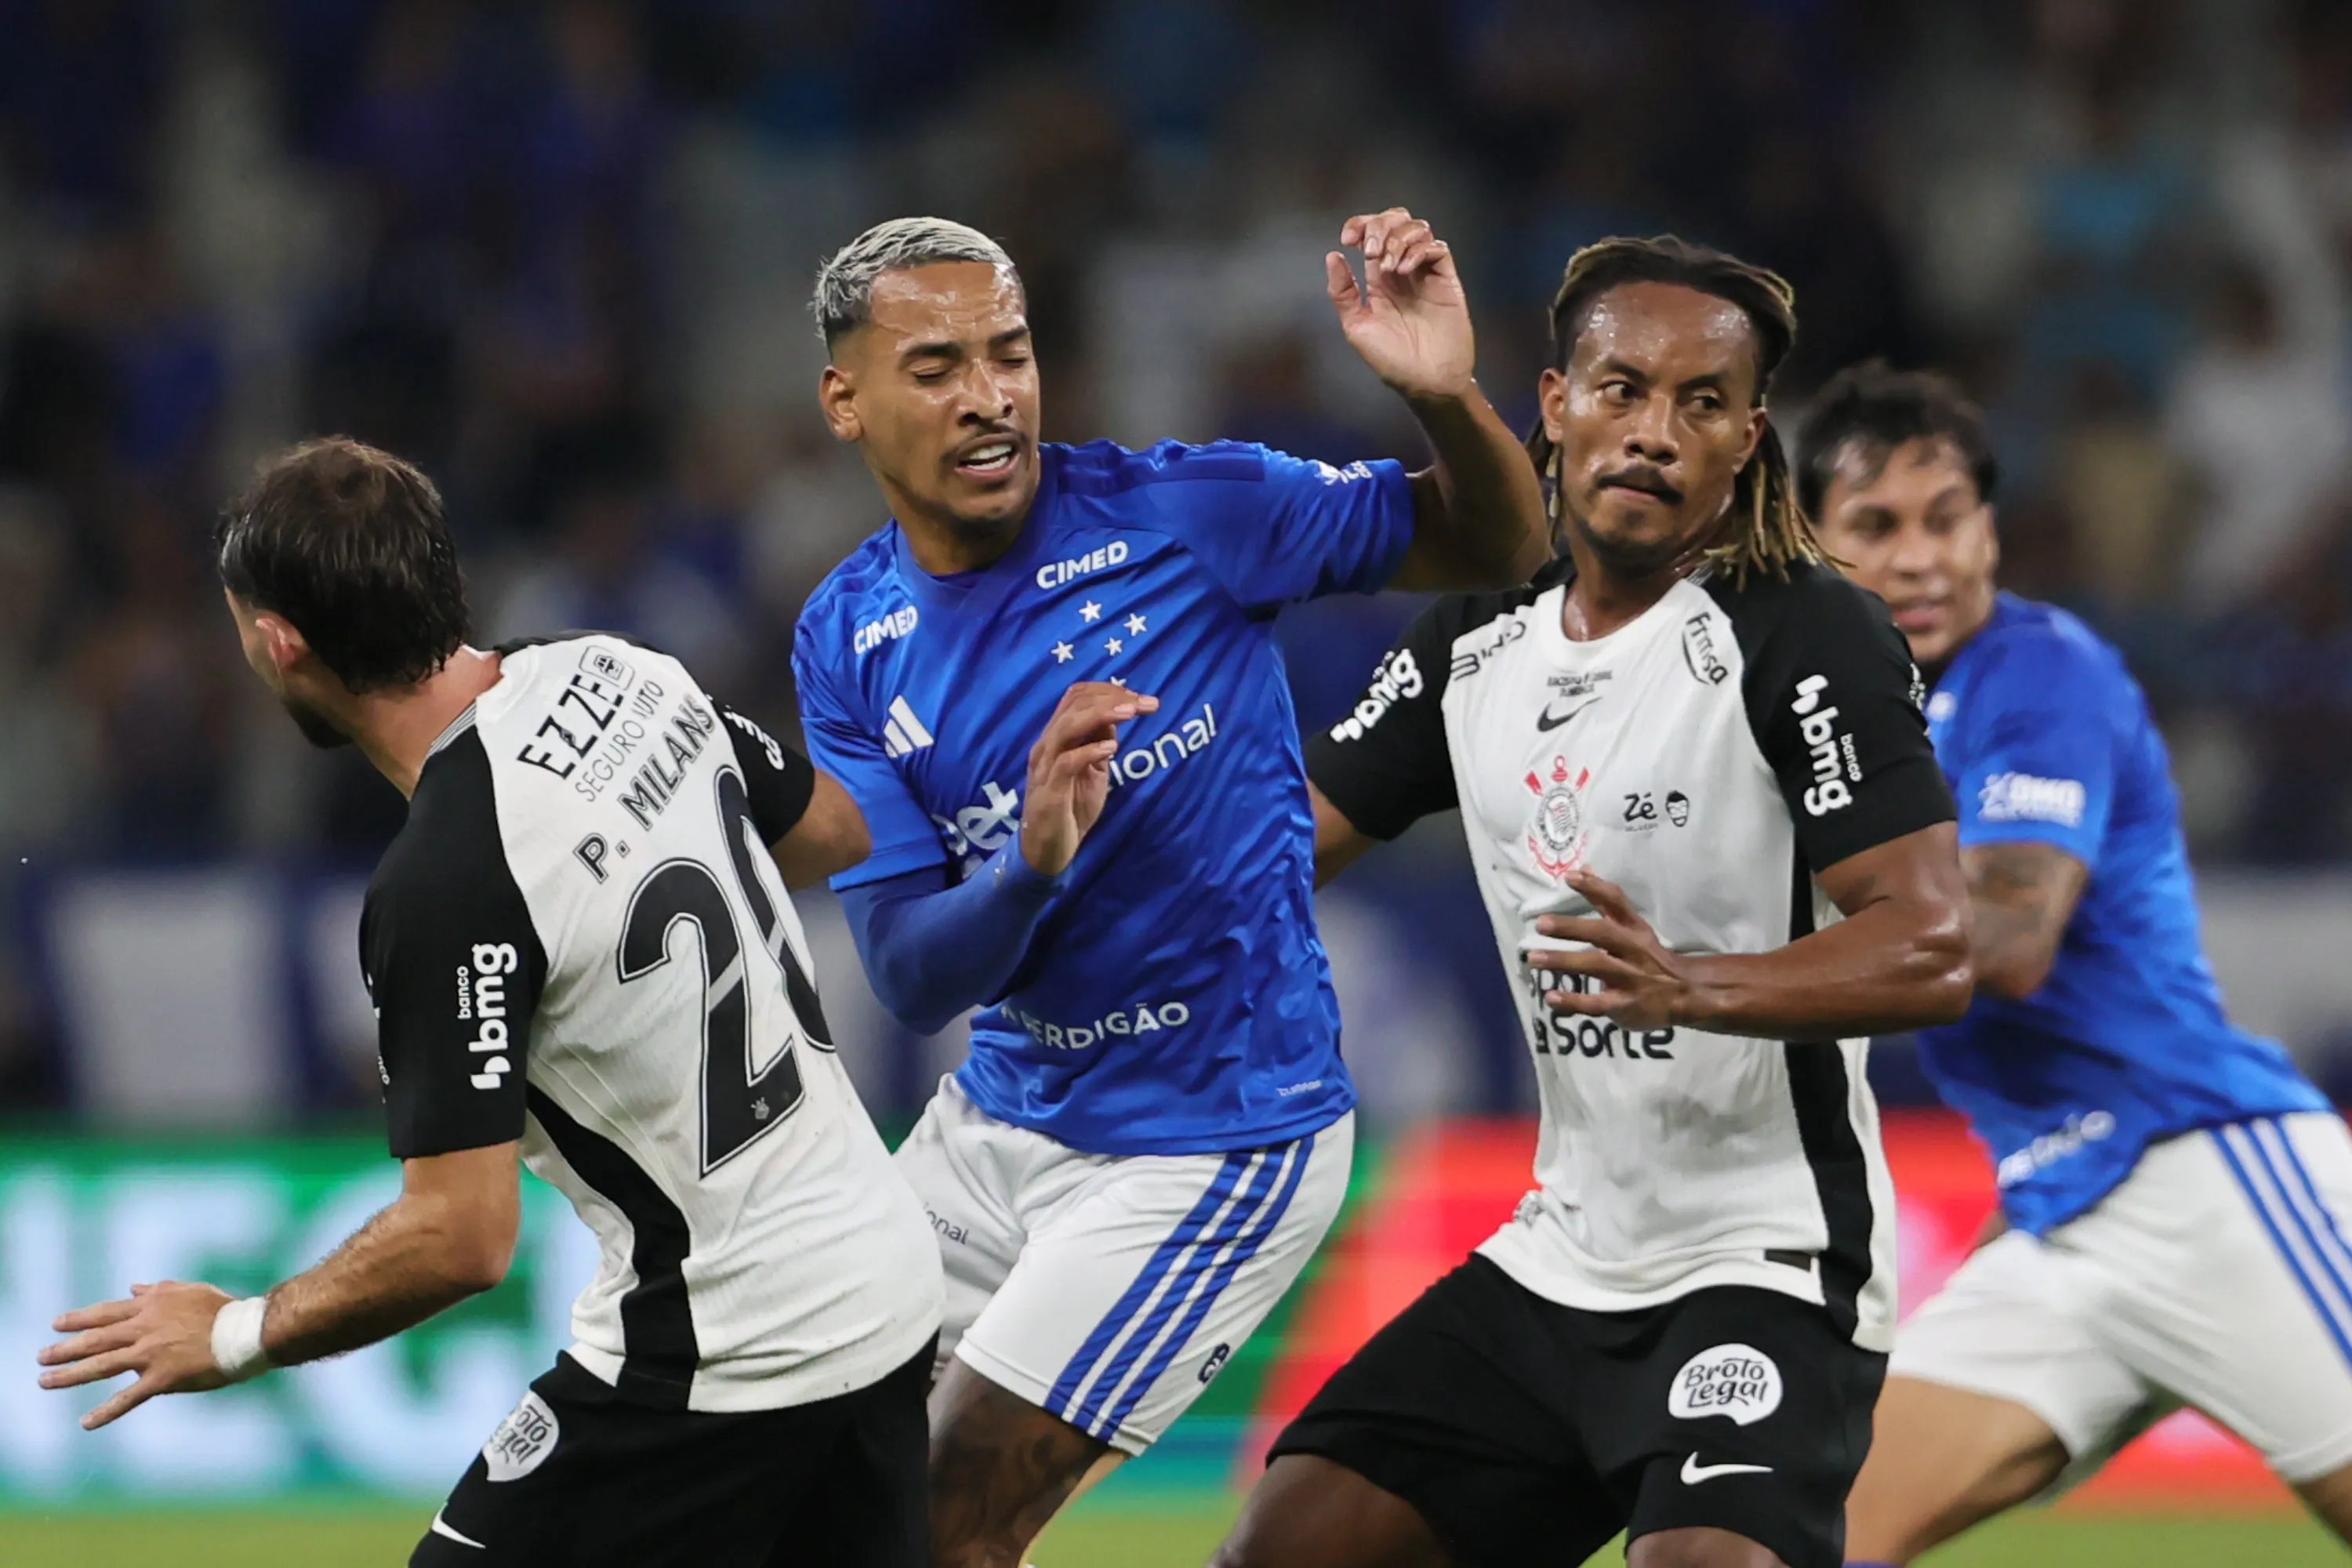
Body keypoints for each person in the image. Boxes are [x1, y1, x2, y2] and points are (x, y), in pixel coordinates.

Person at [36, 437, 945, 1568]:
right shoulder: (622, 669)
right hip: (890, 1284)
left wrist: (230, 1334)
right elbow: (837, 833)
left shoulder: (448, 877)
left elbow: (460, 1237)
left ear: (279, 645)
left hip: (727, 1350)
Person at [793, 211, 1548, 1565]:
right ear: (845, 401)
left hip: (1211, 1138)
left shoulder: (1188, 512)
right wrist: (1030, 864)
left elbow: (1498, 544)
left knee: (951, 1520)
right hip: (998, 1122)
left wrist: (1440, 393)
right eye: (936, 367)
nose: (988, 397)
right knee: (793, 1488)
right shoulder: (847, 634)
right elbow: (909, 977)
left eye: (1009, 354)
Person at [1211, 237, 1974, 1568]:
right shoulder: (1477, 638)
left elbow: (1932, 944)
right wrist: (1056, 848)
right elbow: (1265, 856)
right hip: (1559, 1258)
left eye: (1700, 405)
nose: (1655, 434)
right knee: (1287, 1545)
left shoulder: (1804, 633)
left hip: (1764, 1263)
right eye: (1622, 390)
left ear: (1745, 441)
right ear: (1555, 405)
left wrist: (1695, 986)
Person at [1797, 362, 2352, 1563]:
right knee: (1803, 1538)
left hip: (2205, 1175)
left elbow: (2006, 942)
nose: (1924, 558)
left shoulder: (2039, 673)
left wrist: (1722, 981)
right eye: (1878, 527)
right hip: (2061, 1219)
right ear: (1816, 546)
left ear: (1991, 529)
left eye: (1948, 519)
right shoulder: (1846, 720)